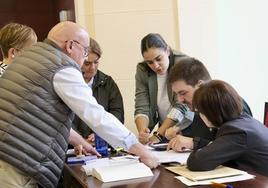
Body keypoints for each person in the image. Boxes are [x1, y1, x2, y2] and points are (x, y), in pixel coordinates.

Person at [0, 21, 157, 188]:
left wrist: (79, 141)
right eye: (85, 51)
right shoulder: (61, 66)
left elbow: (37, 114)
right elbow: (94, 114)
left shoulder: (32, 57)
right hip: (17, 162)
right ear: (70, 46)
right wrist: (140, 150)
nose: (84, 59)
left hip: (8, 155)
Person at [167, 57, 252, 151]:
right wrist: (180, 137)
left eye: (183, 93)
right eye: (177, 94)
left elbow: (234, 146)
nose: (180, 100)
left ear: (200, 86)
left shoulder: (230, 104)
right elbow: (204, 139)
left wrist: (193, 143)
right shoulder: (197, 109)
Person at [187, 80, 268, 176]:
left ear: (209, 112)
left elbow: (197, 162)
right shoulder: (246, 121)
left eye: (199, 111)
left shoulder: (236, 131)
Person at [135, 33, 193, 144]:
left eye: (158, 59)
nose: (156, 66)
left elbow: (181, 105)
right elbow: (141, 105)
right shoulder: (142, 70)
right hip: (164, 128)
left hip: (188, 125)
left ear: (167, 50)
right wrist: (143, 132)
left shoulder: (182, 63)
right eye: (150, 62)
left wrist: (158, 135)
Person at [72, 38, 124, 142]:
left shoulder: (107, 82)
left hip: (101, 143)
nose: (92, 68)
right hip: (73, 145)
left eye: (96, 62)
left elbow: (117, 113)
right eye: (87, 63)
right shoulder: (69, 82)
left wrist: (100, 134)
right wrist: (79, 140)